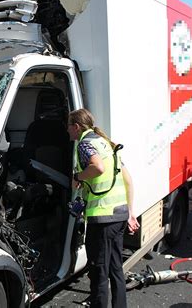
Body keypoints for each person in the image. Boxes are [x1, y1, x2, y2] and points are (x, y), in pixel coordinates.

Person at [67, 109, 140, 308]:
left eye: (68, 127)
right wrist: (131, 212)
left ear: (76, 127)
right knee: (116, 269)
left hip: (102, 220)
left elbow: (97, 167)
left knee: (99, 271)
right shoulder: (106, 143)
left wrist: (78, 177)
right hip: (119, 215)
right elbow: (128, 180)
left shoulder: (85, 144)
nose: (67, 131)